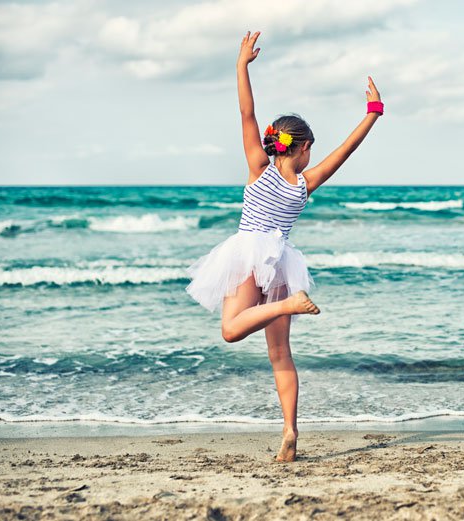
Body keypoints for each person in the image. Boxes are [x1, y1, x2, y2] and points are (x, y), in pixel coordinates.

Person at [185, 31, 384, 462]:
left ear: (280, 143)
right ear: (306, 148)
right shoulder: (306, 183)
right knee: (279, 353)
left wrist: (241, 65)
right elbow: (346, 151)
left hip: (248, 255)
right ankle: (290, 431)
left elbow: (246, 112)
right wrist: (373, 113)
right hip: (280, 262)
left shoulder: (259, 167)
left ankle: (286, 305)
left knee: (230, 330)